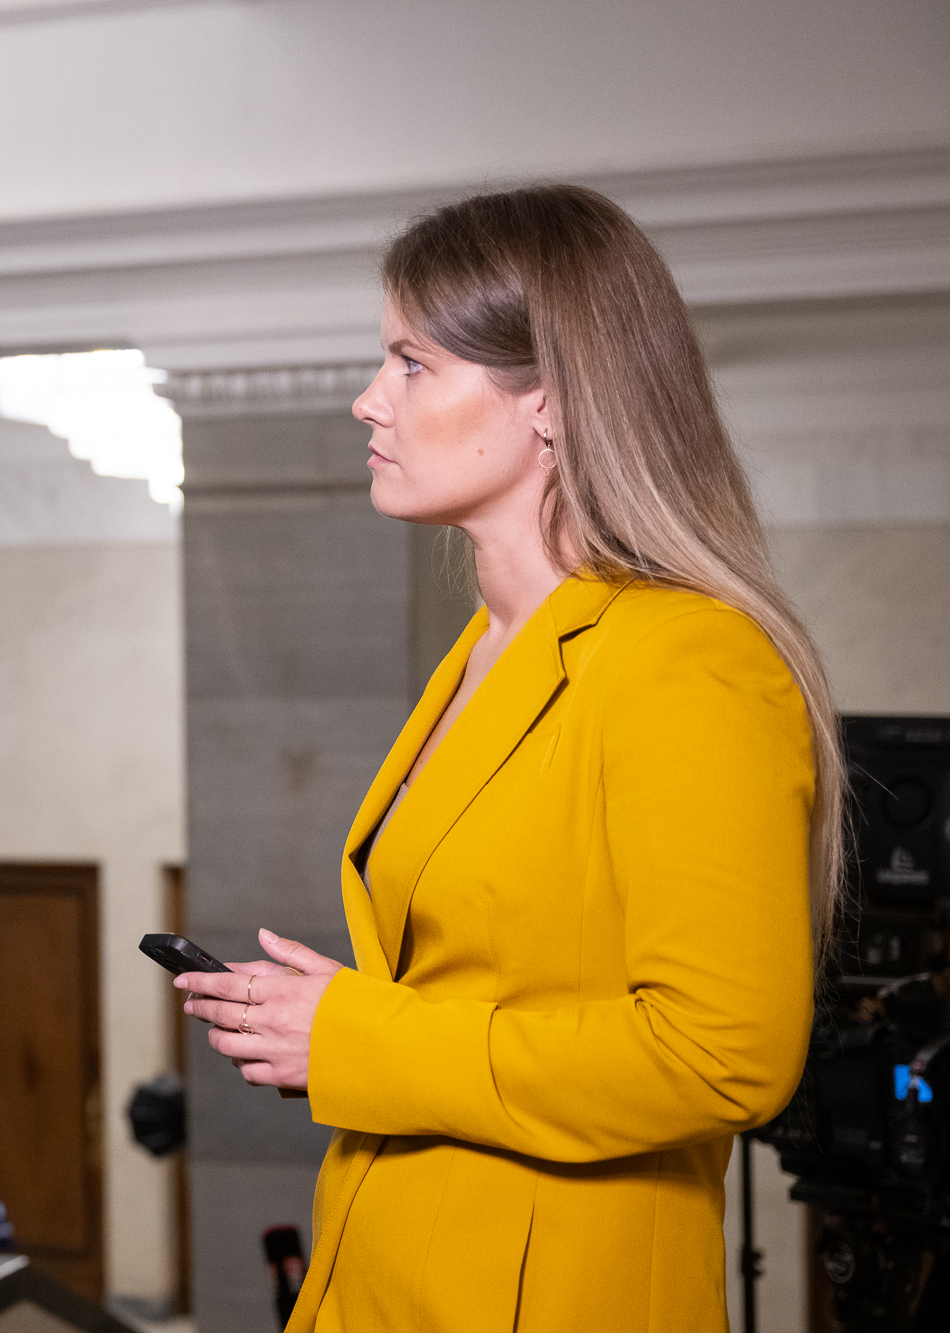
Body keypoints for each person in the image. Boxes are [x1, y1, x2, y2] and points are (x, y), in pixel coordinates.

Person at [175, 184, 840, 1332]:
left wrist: (353, 1035)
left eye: (410, 364)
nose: (366, 399)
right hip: (387, 1274)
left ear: (551, 401)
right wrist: (319, 1020)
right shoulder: (486, 647)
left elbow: (721, 1054)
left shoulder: (685, 657)